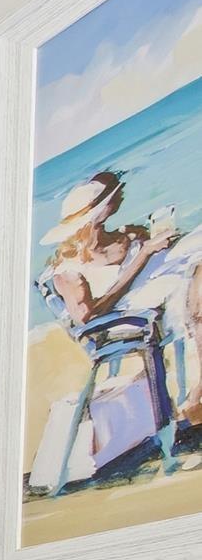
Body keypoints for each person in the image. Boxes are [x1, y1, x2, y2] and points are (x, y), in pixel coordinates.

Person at [45, 169, 202, 422]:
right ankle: (196, 397)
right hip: (126, 314)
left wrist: (146, 241)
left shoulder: (119, 237)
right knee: (196, 286)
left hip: (152, 288)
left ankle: (196, 396)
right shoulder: (67, 270)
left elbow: (137, 254)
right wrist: (143, 254)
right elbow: (89, 317)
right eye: (110, 201)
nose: (116, 202)